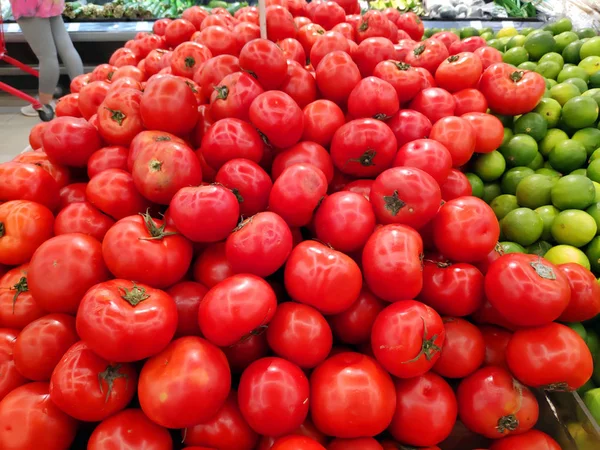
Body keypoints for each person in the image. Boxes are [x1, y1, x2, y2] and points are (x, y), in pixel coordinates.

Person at [8, 0, 84, 116]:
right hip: (51, 2)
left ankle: (44, 104)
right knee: (67, 48)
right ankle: (83, 94)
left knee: (46, 56)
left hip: (28, 4)